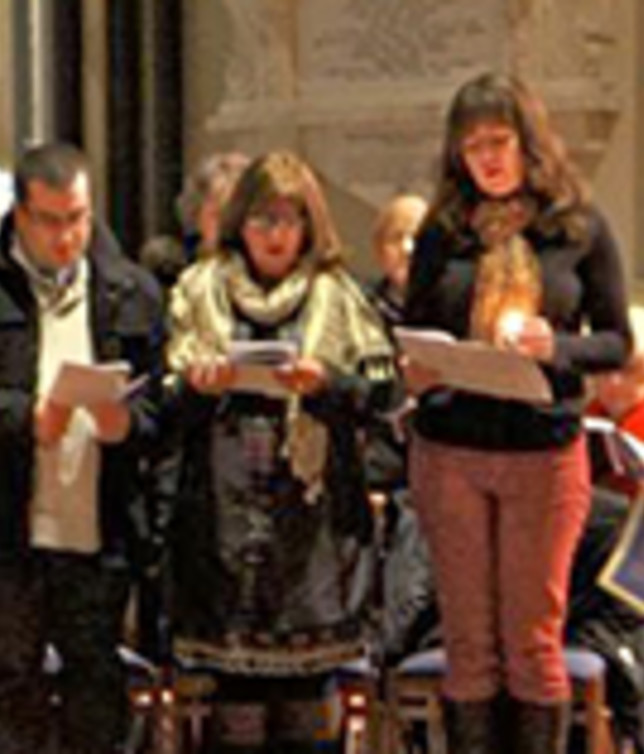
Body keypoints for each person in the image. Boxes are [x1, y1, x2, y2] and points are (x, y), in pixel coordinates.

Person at [403, 72, 633, 753]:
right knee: (470, 643)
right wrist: (417, 364)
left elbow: (616, 339)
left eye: (500, 141)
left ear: (529, 143)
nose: (489, 159)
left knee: (534, 641)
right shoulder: (445, 235)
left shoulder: (578, 228)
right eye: (473, 147)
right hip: (452, 447)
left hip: (542, 449)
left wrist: (554, 345)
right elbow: (414, 325)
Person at [0, 142, 164, 754]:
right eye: (51, 220)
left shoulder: (129, 289)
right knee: (10, 683)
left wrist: (126, 425)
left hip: (98, 523)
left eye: (79, 218)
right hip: (4, 523)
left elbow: (160, 405)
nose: (68, 237)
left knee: (96, 683)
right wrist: (24, 418)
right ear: (20, 214)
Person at [162, 151, 395, 753]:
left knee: (306, 697)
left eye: (290, 221)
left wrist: (327, 384)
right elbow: (161, 408)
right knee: (233, 695)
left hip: (311, 518)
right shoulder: (200, 288)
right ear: (240, 222)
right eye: (263, 220)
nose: (275, 235)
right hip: (222, 512)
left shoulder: (338, 294)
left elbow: (383, 396)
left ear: (310, 226)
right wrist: (199, 385)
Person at [140, 152, 251, 292]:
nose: (228, 228)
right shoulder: (171, 276)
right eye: (219, 216)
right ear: (197, 216)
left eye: (238, 217)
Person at [366, 193, 429, 328]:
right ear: (379, 249)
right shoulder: (361, 308)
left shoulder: (452, 308)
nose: (407, 249)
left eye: (417, 238)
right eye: (396, 238)